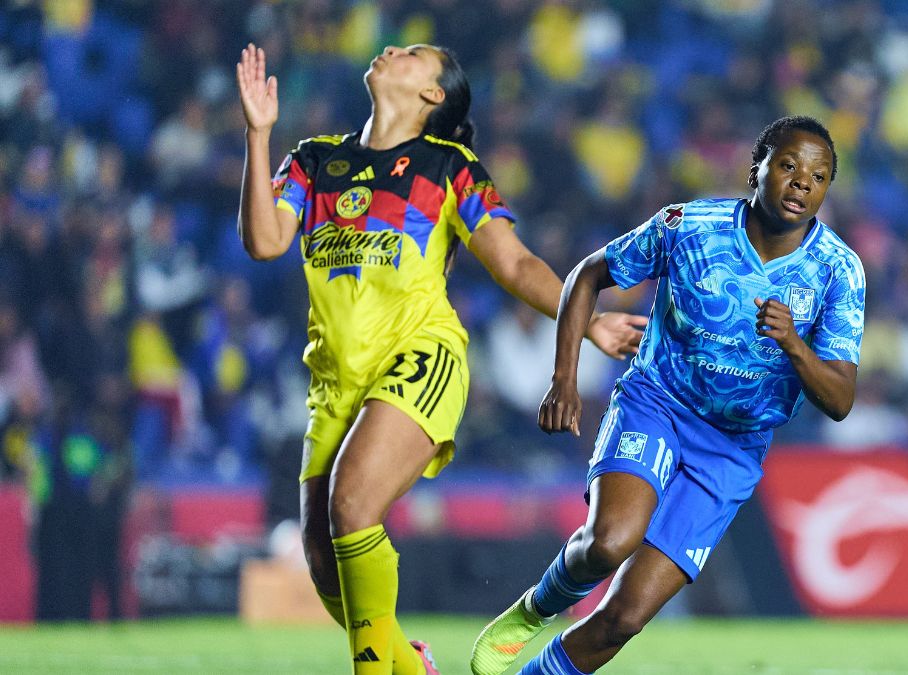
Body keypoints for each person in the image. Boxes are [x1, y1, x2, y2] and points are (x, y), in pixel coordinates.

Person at [235, 43, 646, 675]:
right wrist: (258, 136)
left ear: (433, 95)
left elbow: (513, 262)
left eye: (412, 53)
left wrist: (586, 322)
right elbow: (264, 242)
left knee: (352, 507)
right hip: (334, 380)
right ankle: (412, 665)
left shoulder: (447, 166)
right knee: (324, 562)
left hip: (419, 357)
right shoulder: (315, 160)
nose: (391, 49)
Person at [471, 115, 865, 675]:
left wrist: (796, 347)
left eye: (819, 176)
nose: (802, 182)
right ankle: (536, 608)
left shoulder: (839, 271)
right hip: (659, 404)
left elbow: (841, 399)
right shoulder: (689, 225)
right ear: (756, 168)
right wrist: (564, 377)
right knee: (609, 543)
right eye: (788, 166)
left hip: (734, 446)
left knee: (625, 618)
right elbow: (588, 275)